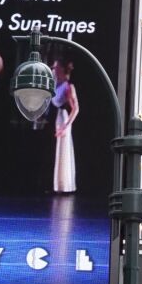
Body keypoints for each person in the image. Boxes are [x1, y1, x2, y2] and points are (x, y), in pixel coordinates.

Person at [50, 59, 78, 194]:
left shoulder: (68, 86)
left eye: (56, 67)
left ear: (61, 68)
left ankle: (64, 185)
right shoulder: (56, 83)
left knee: (63, 150)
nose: (53, 68)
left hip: (63, 118)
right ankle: (56, 185)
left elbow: (76, 109)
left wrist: (65, 126)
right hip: (57, 117)